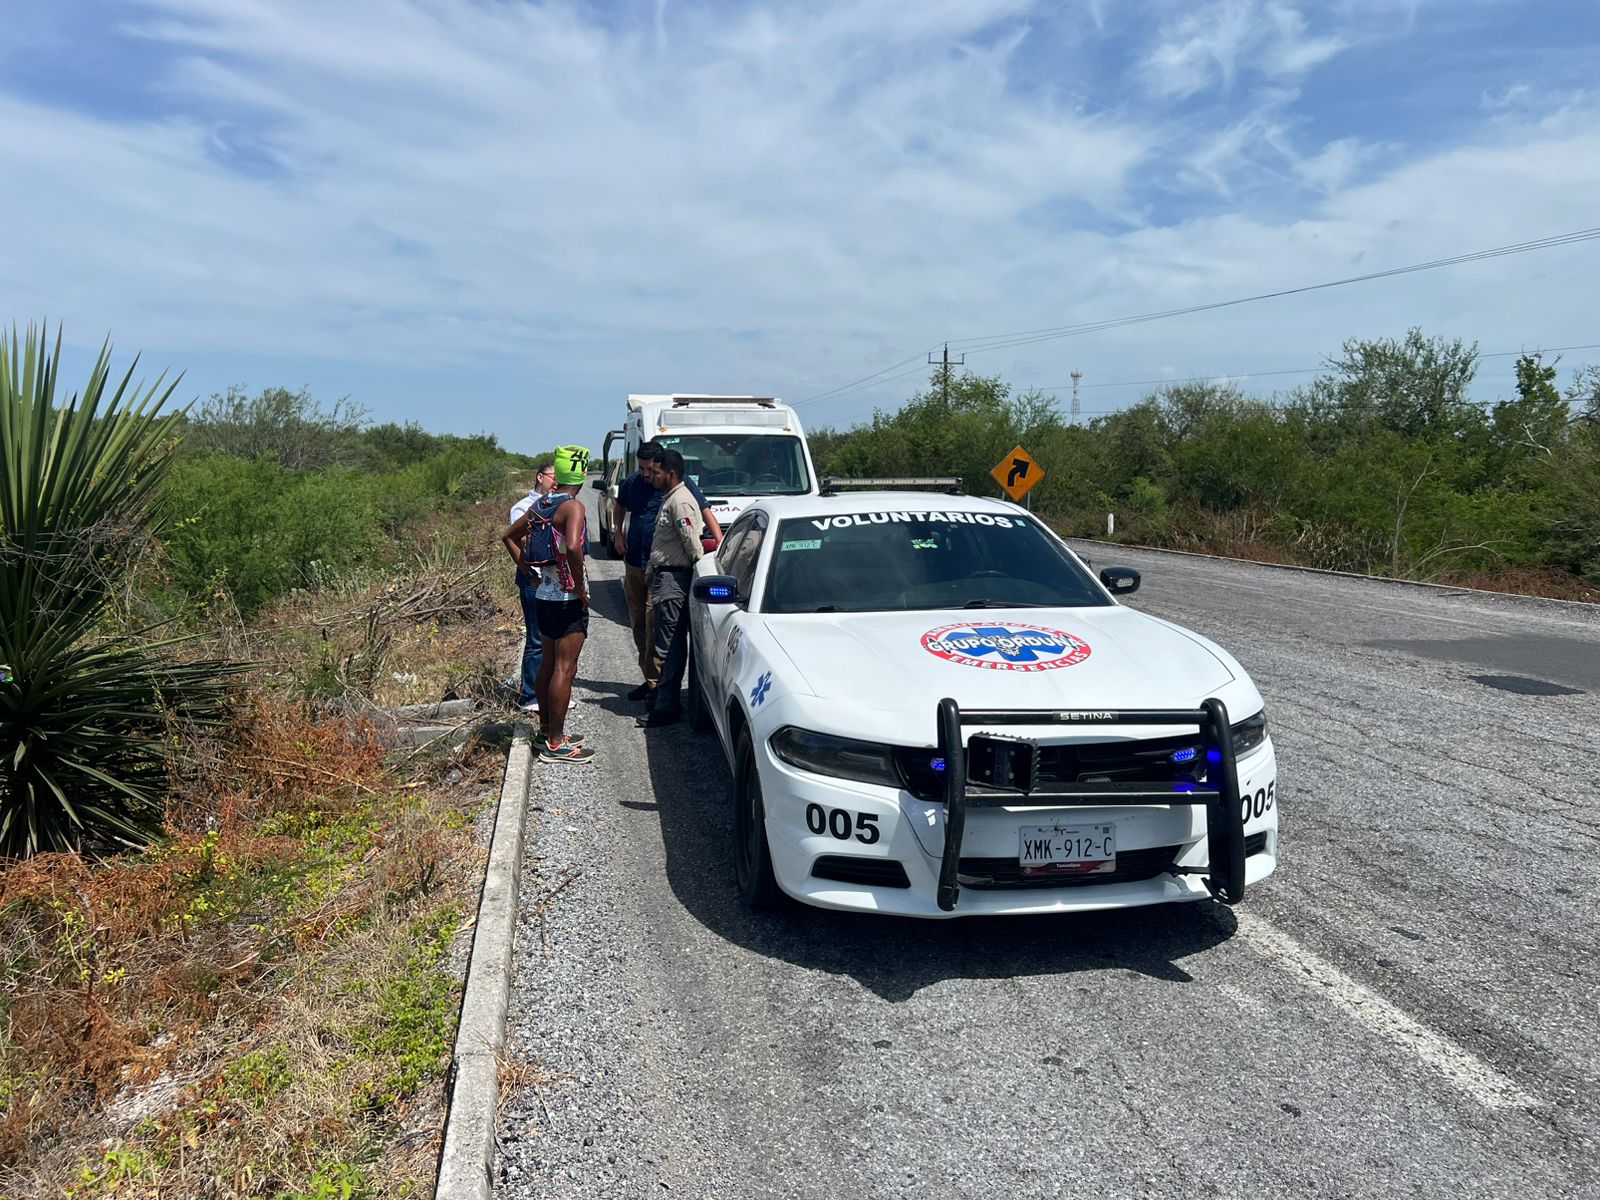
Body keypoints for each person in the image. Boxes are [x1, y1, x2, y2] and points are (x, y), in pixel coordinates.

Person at [502, 445, 594, 763]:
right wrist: (579, 587)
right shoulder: (573, 506)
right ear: (582, 474)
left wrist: (530, 574)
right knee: (565, 669)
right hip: (567, 600)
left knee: (547, 665)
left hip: (543, 596)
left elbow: (509, 537)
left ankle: (546, 733)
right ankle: (556, 743)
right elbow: (573, 547)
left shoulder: (542, 504)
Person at [616, 441, 721, 706]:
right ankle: (650, 680)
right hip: (638, 563)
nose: (647, 475)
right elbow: (620, 505)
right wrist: (618, 533)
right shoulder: (634, 484)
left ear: (662, 469)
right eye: (643, 469)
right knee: (640, 625)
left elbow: (700, 519)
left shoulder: (677, 490)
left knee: (659, 631)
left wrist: (720, 546)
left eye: (651, 470)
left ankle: (659, 687)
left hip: (666, 572)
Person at [639, 448, 704, 727]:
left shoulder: (681, 502)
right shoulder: (670, 499)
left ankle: (665, 706)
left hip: (676, 579)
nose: (652, 476)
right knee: (667, 643)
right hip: (665, 576)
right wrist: (651, 569)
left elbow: (692, 545)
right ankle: (666, 700)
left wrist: (699, 573)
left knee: (670, 646)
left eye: (656, 472)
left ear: (671, 473)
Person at [501, 461, 554, 712]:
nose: (556, 482)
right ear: (540, 477)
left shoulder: (558, 504)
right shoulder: (523, 507)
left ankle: (550, 693)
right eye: (553, 476)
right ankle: (530, 696)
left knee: (553, 638)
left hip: (553, 579)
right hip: (533, 578)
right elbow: (521, 539)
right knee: (536, 639)